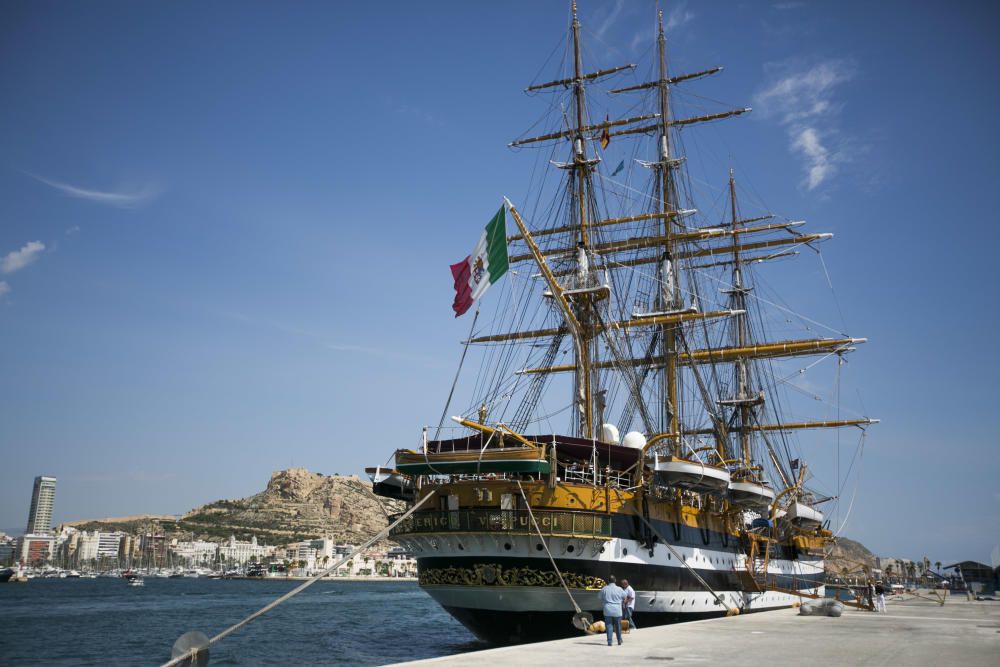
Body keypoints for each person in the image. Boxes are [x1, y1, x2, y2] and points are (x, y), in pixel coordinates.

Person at [599, 575, 626, 646]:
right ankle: (619, 640)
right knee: (618, 626)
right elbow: (625, 597)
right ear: (615, 580)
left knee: (609, 626)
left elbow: (599, 597)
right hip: (617, 610)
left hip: (607, 609)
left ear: (608, 581)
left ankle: (609, 642)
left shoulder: (604, 589)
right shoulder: (619, 589)